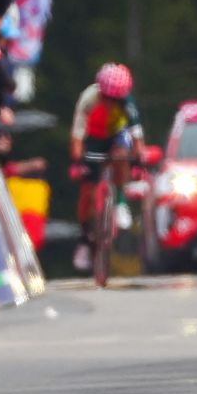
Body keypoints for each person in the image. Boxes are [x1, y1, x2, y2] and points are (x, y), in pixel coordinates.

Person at [70, 62, 144, 272]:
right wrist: (78, 161)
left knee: (121, 154)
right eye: (107, 98)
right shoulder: (88, 99)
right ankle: (85, 238)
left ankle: (119, 201)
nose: (111, 102)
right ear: (100, 91)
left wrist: (138, 160)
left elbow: (137, 137)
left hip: (116, 135)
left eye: (116, 99)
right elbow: (76, 138)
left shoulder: (127, 102)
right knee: (86, 191)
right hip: (93, 137)